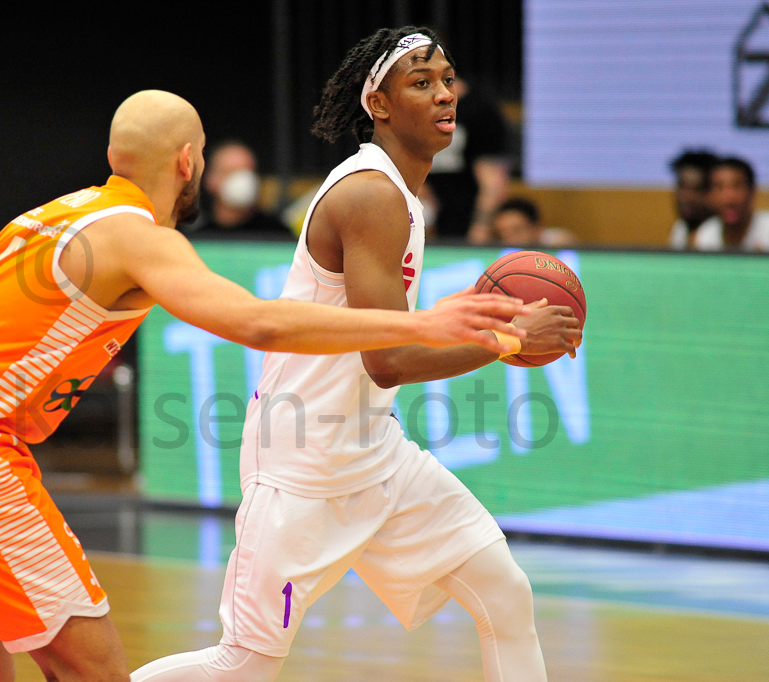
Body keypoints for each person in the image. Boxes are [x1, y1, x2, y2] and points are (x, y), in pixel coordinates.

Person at [0, 90, 532, 682]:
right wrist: (423, 325)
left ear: (113, 155)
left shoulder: (49, 215)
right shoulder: (140, 237)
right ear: (187, 162)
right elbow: (260, 324)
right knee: (99, 671)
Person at [131, 28, 580, 682]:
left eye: (447, 79)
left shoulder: (401, 193)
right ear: (379, 103)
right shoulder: (370, 194)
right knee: (243, 666)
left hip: (374, 453)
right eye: (419, 83)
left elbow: (385, 347)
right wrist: (508, 340)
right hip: (302, 465)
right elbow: (387, 358)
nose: (442, 95)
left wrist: (487, 326)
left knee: (504, 595)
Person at [422, 60, 510, 239]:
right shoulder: (410, 108)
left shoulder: (479, 109)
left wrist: (481, 226)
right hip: (420, 215)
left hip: (464, 220)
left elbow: (492, 181)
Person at [691, 157, 769, 252]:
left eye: (737, 186)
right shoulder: (702, 238)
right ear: (708, 196)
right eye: (719, 187)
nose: (729, 198)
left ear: (752, 191)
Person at [183, 141, 289, 237]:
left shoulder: (279, 235)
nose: (242, 180)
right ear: (211, 180)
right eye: (232, 172)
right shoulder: (198, 238)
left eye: (248, 171)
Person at [471, 197, 576, 247]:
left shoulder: (556, 242)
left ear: (536, 229)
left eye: (517, 230)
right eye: (501, 233)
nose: (508, 240)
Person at [668, 150, 718, 250]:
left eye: (697, 189)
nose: (687, 197)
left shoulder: (722, 235)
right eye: (682, 186)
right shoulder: (680, 228)